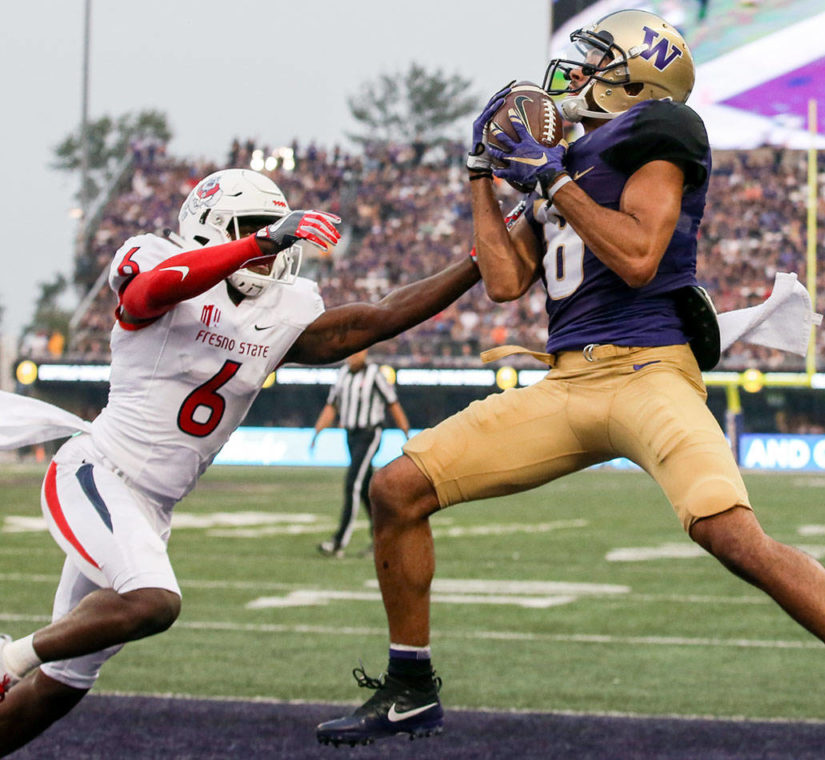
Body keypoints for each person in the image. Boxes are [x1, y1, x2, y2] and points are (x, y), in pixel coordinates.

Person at [315, 10, 825, 760]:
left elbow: (640, 257)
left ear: (635, 76)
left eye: (591, 56)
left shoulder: (660, 132)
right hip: (567, 383)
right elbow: (503, 280)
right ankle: (410, 688)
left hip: (651, 370)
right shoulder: (569, 155)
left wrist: (551, 178)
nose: (571, 70)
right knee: (395, 490)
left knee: (729, 532)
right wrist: (482, 172)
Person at [0, 168, 480, 756]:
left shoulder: (283, 307)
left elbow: (373, 318)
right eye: (254, 227)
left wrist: (476, 263)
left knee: (64, 683)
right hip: (98, 472)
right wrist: (261, 241)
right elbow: (148, 292)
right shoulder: (153, 257)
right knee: (152, 602)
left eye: (276, 233)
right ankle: (6, 658)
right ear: (209, 226)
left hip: (153, 506)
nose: (274, 246)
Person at [310, 348, 410, 558]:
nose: (353, 355)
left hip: (370, 433)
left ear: (365, 352)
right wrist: (317, 432)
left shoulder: (375, 374)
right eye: (351, 352)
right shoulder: (342, 375)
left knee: (352, 484)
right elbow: (332, 406)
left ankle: (338, 542)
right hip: (350, 435)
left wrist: (406, 434)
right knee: (366, 490)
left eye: (358, 352)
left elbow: (393, 404)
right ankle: (384, 538)